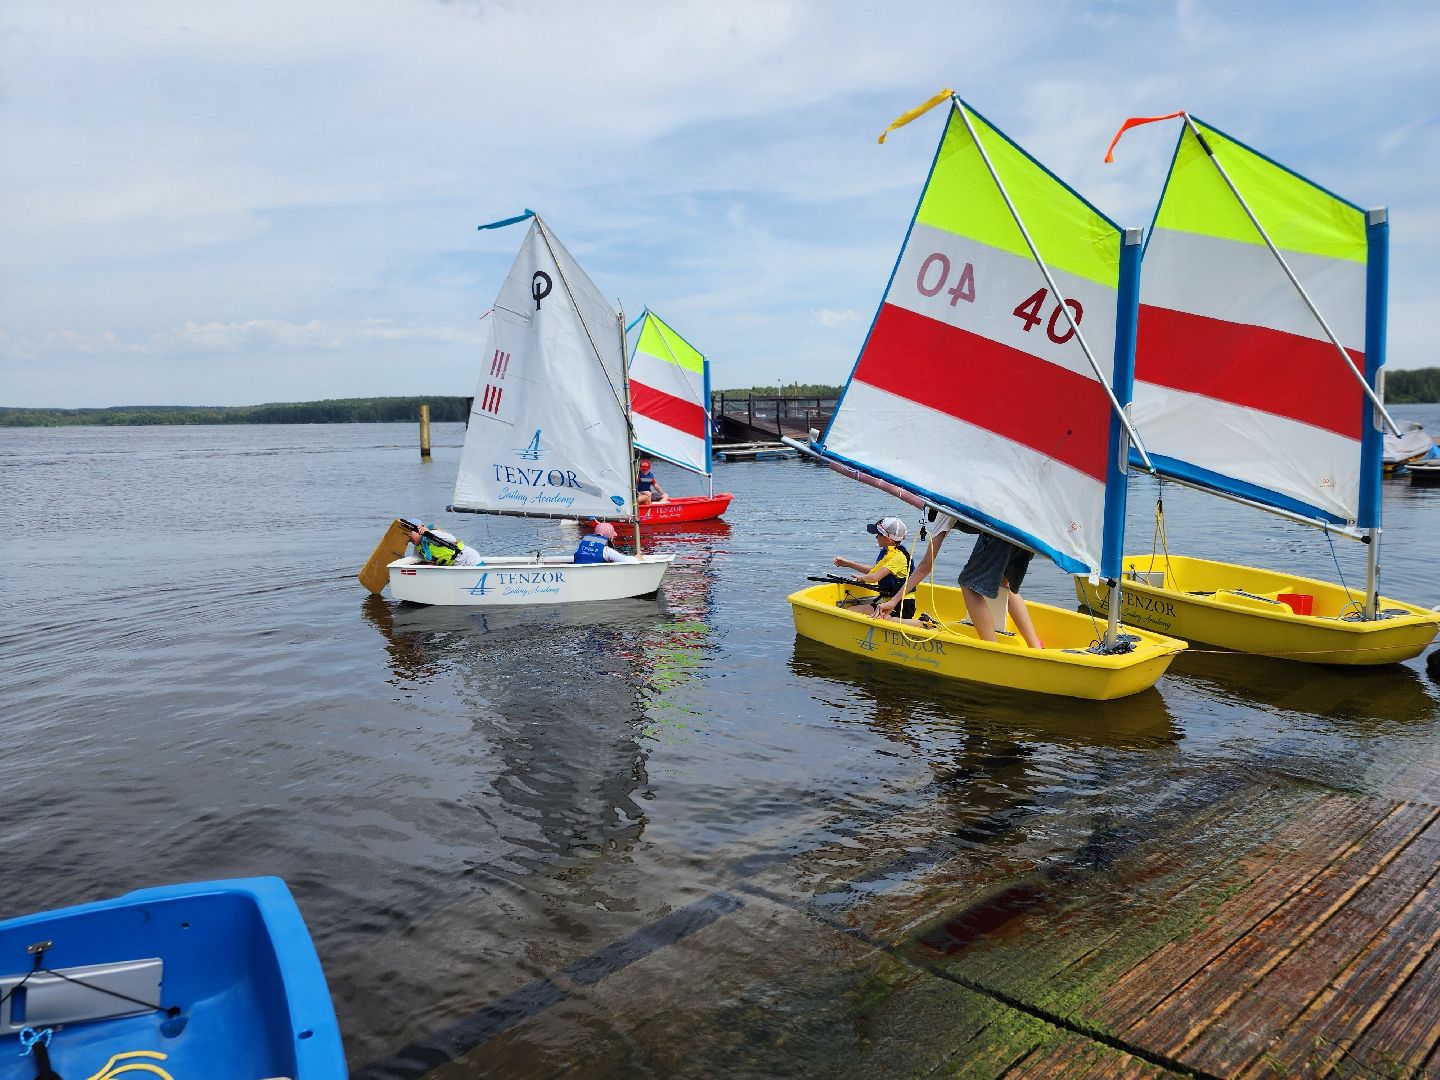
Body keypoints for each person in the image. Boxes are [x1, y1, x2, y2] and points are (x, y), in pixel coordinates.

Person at [876, 509, 1043, 649]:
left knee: (968, 584)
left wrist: (894, 601)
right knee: (1005, 585)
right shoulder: (960, 499)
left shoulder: (944, 509)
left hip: (999, 526)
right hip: (1024, 526)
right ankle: (1035, 646)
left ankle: (992, 649)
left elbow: (926, 565)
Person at [832, 516, 915, 618]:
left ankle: (920, 623)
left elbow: (874, 577)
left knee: (858, 613)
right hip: (888, 602)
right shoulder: (888, 552)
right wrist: (849, 564)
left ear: (888, 539)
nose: (876, 537)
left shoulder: (898, 557)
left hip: (903, 606)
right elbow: (874, 571)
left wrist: (862, 578)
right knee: (851, 611)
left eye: (878, 534)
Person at [407, 521, 483, 567]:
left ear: (420, 529)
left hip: (469, 559)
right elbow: (417, 561)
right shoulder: (418, 549)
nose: (408, 537)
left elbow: (452, 539)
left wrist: (428, 533)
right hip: (456, 566)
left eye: (410, 532)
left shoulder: (433, 534)